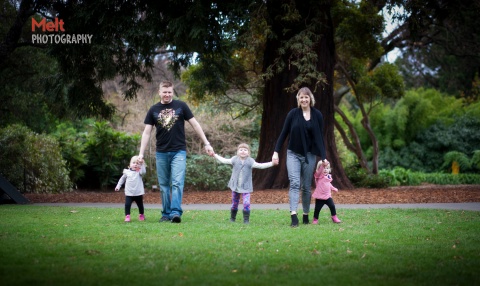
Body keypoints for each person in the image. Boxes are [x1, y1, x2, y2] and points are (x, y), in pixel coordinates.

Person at [138, 81, 214, 223]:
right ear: (159, 92)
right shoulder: (153, 109)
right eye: (164, 92)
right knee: (164, 185)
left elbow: (195, 124)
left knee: (177, 182)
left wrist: (206, 143)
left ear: (172, 92)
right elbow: (147, 133)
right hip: (161, 152)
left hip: (179, 151)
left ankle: (175, 212)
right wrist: (141, 153)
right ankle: (166, 214)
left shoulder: (181, 106)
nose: (167, 94)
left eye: (169, 92)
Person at [271, 87, 327, 227]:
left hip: (310, 155)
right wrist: (276, 151)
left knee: (307, 187)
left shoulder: (317, 115)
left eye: (306, 97)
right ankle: (293, 216)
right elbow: (284, 133)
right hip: (293, 153)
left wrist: (324, 156)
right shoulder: (293, 114)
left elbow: (320, 137)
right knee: (295, 183)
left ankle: (306, 214)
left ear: (310, 99)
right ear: (298, 99)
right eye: (301, 97)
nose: (304, 99)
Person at [214, 143, 277, 224]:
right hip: (235, 186)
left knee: (246, 203)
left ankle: (246, 220)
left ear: (248, 152)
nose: (243, 151)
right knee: (234, 203)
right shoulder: (234, 160)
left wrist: (272, 163)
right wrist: (215, 155)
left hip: (246, 187)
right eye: (241, 150)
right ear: (237, 152)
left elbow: (261, 166)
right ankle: (232, 218)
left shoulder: (250, 161)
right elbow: (224, 160)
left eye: (245, 150)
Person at [115, 156, 147, 222]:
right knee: (127, 205)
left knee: (140, 205)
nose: (135, 164)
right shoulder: (127, 172)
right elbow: (122, 179)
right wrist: (118, 186)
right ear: (130, 164)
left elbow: (143, 172)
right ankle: (127, 216)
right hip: (129, 193)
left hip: (138, 193)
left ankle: (141, 215)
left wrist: (142, 164)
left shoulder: (139, 172)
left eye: (137, 163)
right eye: (134, 162)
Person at [312, 160, 341, 224]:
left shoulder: (328, 177)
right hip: (319, 197)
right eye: (323, 168)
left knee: (332, 206)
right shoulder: (318, 177)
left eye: (327, 168)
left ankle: (334, 217)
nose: (325, 170)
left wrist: (333, 188)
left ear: (329, 170)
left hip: (327, 196)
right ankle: (315, 219)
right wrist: (323, 164)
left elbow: (328, 184)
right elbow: (319, 172)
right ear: (319, 169)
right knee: (317, 209)